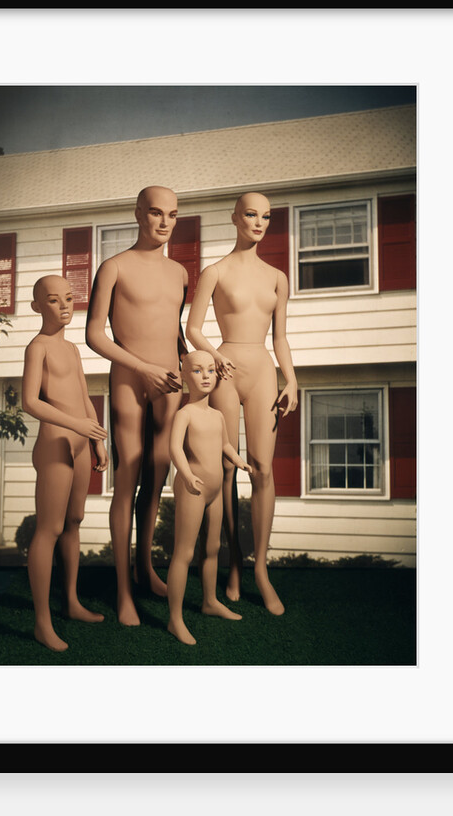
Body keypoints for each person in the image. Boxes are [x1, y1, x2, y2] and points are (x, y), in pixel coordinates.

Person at [186, 192, 298, 616]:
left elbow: (280, 337)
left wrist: (292, 379)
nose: (259, 222)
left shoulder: (277, 277)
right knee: (227, 468)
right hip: (226, 371)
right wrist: (215, 356)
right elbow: (193, 328)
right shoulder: (214, 272)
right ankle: (233, 561)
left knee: (263, 468)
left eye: (266, 216)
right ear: (235, 218)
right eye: (251, 214)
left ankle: (261, 570)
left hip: (264, 371)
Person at [86, 186, 189, 626]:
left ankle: (145, 570)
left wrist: (188, 366)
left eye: (172, 215)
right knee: (127, 479)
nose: (164, 222)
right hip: (130, 379)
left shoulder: (180, 272)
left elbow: (175, 331)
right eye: (155, 213)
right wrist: (143, 368)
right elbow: (94, 334)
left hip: (170, 384)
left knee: (156, 481)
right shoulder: (114, 267)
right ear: (138, 214)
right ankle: (123, 590)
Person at [21, 275, 109, 651]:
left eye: (69, 298)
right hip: (55, 443)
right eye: (54, 300)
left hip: (80, 443)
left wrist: (97, 440)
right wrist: (76, 425)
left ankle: (71, 602)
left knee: (74, 521)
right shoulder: (37, 347)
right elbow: (30, 402)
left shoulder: (72, 349)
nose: (64, 306)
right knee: (50, 528)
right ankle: (42, 622)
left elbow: (84, 397)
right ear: (37, 306)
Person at [166, 351, 251, 646]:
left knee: (213, 547)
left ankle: (210, 601)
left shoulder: (217, 415)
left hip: (215, 491)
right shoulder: (185, 414)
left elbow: (225, 444)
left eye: (211, 370)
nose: (205, 376)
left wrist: (238, 460)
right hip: (194, 488)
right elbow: (174, 448)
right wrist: (187, 475)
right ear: (185, 375)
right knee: (184, 552)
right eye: (197, 371)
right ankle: (175, 619)